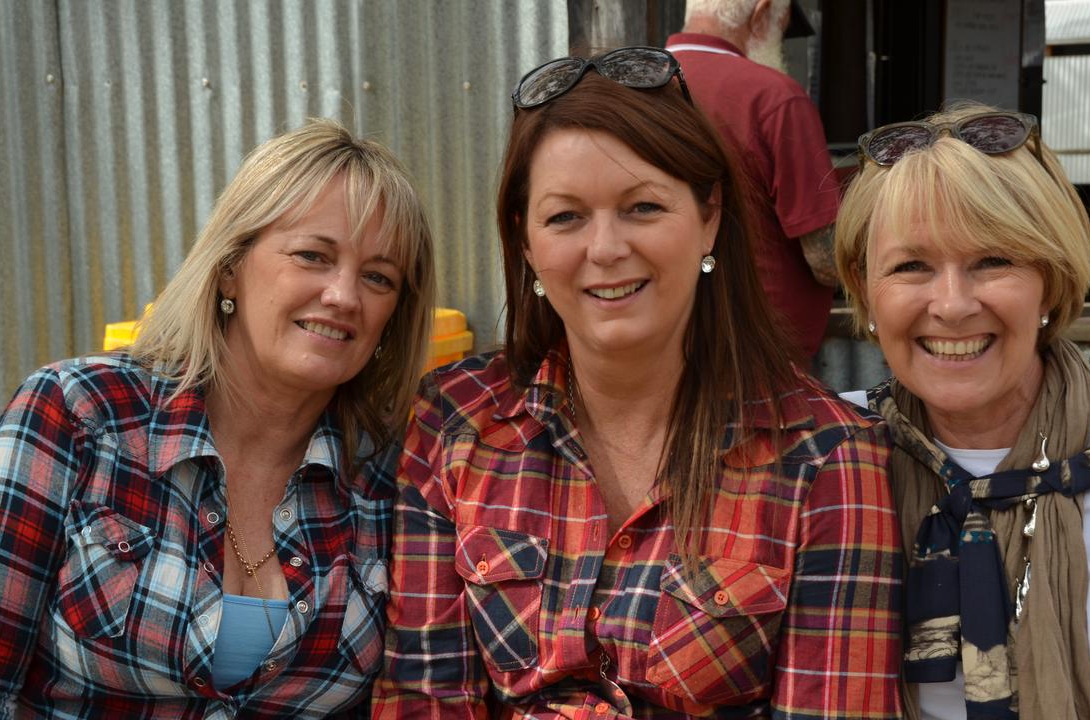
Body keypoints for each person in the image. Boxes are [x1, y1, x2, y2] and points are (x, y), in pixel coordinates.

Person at [372, 47, 903, 718]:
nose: (606, 249)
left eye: (642, 207)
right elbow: (423, 698)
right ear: (526, 241)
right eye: (566, 217)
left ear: (709, 216)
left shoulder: (828, 457)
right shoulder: (456, 420)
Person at [0, 118, 436, 716]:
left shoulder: (391, 479)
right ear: (231, 264)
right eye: (313, 255)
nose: (344, 295)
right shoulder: (77, 413)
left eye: (378, 277)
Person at [835, 104, 1090, 719]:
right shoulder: (831, 459)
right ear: (865, 289)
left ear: (1052, 277)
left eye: (993, 261)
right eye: (912, 266)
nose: (953, 304)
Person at [666, 0, 840, 360]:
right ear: (762, 12)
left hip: (665, 349)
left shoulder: (630, 87)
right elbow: (827, 261)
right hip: (763, 360)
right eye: (784, 24)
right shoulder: (774, 96)